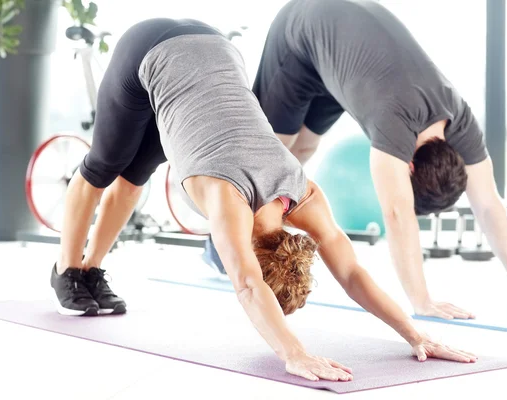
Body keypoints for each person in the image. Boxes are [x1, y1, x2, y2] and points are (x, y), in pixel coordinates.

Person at [52, 18, 477, 382]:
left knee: (132, 179)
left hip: (215, 52)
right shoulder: (226, 199)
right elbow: (248, 284)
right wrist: (293, 353)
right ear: (255, 252)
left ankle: (93, 271)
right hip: (149, 50)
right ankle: (68, 271)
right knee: (104, 168)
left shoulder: (302, 192)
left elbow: (351, 273)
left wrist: (417, 335)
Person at [219, 0, 507, 320]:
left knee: (301, 154)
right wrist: (422, 302)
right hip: (303, 28)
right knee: (266, 159)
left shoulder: (460, 123)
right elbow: (398, 214)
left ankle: (247, 230)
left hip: (338, 58)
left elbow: (489, 204)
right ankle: (220, 241)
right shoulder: (394, 124)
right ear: (409, 166)